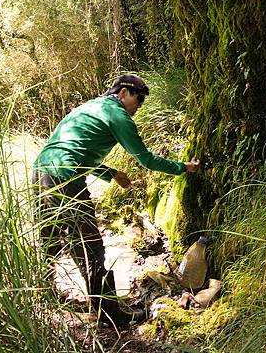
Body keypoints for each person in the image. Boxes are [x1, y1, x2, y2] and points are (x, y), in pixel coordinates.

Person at [31, 73, 200, 327]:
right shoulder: (119, 115)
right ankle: (108, 313)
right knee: (89, 245)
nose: (139, 107)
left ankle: (41, 293)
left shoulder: (91, 107)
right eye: (138, 99)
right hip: (64, 175)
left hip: (41, 170)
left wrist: (111, 174)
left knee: (51, 236)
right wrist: (182, 167)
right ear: (123, 93)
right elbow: (146, 159)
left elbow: (79, 149)